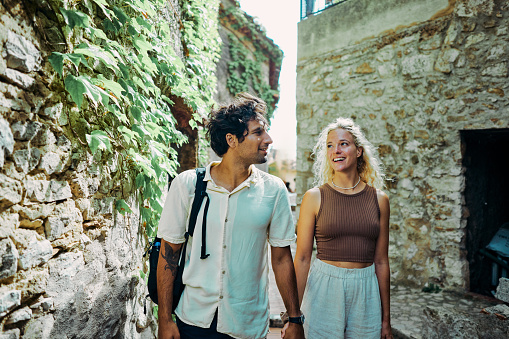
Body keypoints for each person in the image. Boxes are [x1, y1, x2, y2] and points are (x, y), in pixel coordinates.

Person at [156, 93, 305, 339]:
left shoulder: (274, 190)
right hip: (193, 320)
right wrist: (164, 320)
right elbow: (169, 252)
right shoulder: (188, 185)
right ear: (231, 140)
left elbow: (281, 258)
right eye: (258, 132)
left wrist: (295, 318)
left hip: (247, 323)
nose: (268, 139)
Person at [291, 117, 392, 338]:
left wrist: (386, 321)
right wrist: (293, 318)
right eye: (330, 145)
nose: (336, 150)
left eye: (344, 144)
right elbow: (302, 258)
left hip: (366, 289)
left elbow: (382, 261)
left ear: (358, 151)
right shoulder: (314, 197)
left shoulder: (380, 200)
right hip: (324, 287)